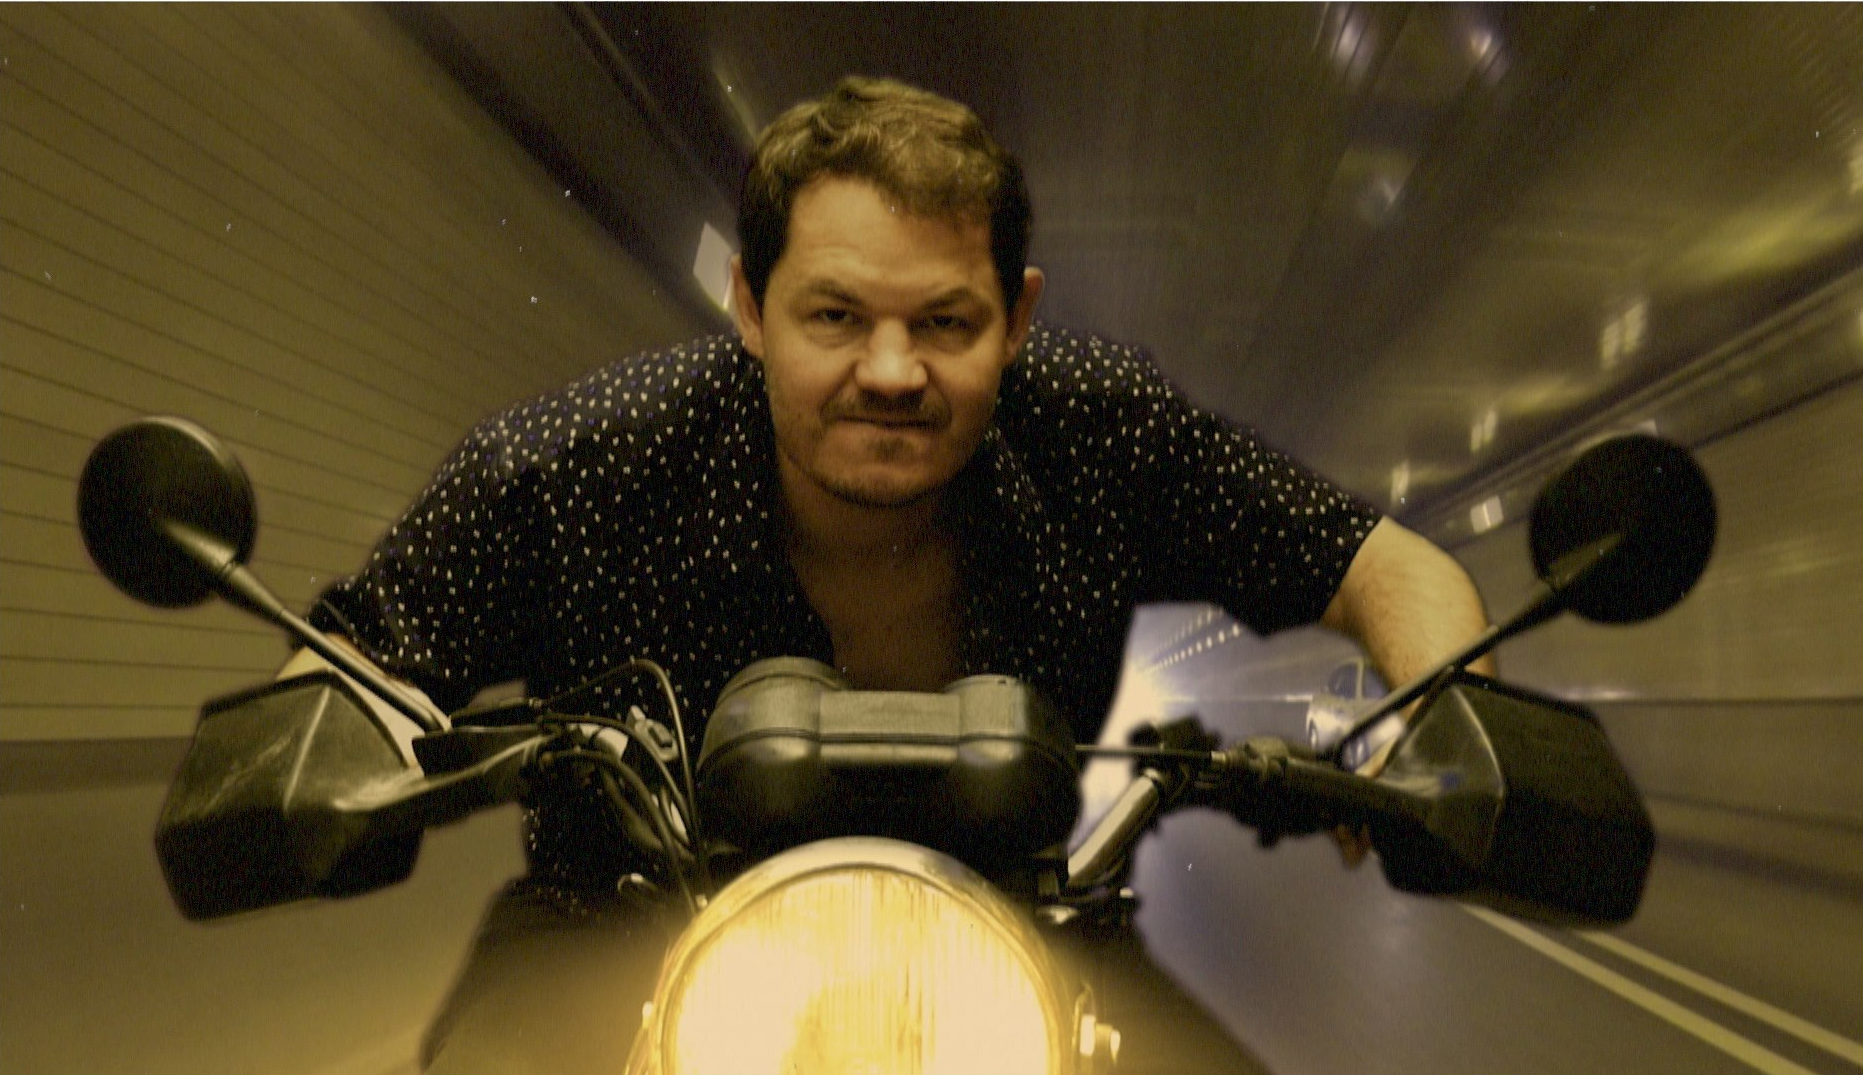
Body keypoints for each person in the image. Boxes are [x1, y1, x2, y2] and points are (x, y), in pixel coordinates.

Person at [285, 76, 1491, 1074]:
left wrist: (1440, 722)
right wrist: (309, 757)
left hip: (1024, 928)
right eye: (836, 317)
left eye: (946, 323)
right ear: (750, 307)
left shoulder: (1104, 432)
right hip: (621, 923)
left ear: (1016, 318)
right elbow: (358, 665)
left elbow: (1386, 566)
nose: (893, 370)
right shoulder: (575, 467)